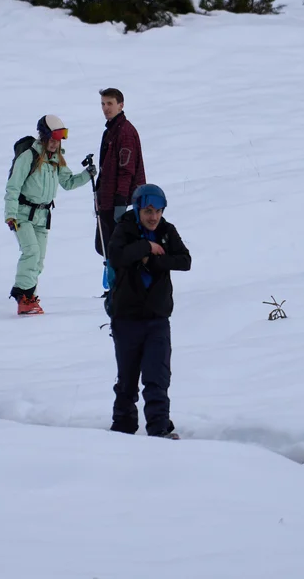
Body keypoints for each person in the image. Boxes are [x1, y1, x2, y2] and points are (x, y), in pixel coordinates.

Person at [106, 183, 191, 439]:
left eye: (158, 211)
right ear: (139, 208)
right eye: (148, 211)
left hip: (157, 319)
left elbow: (184, 261)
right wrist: (145, 247)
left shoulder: (167, 230)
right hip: (126, 319)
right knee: (127, 382)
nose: (154, 217)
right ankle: (122, 430)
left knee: (157, 377)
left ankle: (159, 429)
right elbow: (116, 256)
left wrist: (150, 260)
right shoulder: (125, 229)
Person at [4, 115, 96, 315]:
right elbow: (13, 187)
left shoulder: (56, 159)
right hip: (22, 214)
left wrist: (87, 175)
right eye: (52, 139)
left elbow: (68, 182)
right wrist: (10, 215)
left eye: (58, 140)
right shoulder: (28, 157)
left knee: (39, 261)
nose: (55, 144)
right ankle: (23, 296)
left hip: (43, 216)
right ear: (43, 137)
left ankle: (29, 298)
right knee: (31, 252)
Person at [94, 88, 147, 260]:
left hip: (121, 203)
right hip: (108, 201)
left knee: (119, 251)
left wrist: (120, 202)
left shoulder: (124, 132)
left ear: (121, 105)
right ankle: (114, 283)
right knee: (105, 248)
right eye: (103, 104)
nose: (106, 108)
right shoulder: (111, 130)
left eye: (110, 103)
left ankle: (121, 284)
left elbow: (127, 171)